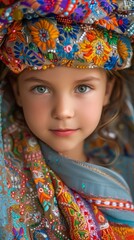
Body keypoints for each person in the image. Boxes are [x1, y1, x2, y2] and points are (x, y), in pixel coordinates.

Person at [0, 0, 134, 239]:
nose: (63, 112)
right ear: (17, 91)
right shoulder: (4, 187)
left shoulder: (128, 168)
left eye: (83, 88)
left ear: (108, 91)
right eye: (41, 89)